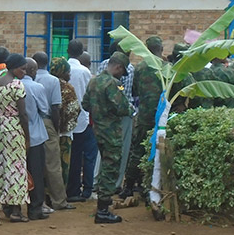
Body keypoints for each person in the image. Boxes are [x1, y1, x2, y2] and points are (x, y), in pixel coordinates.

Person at [82, 52, 132, 223]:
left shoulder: (93, 81)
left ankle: (103, 205)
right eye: (122, 71)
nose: (122, 75)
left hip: (98, 130)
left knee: (104, 166)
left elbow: (85, 104)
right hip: (112, 132)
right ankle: (103, 211)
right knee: (111, 169)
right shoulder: (114, 83)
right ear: (118, 67)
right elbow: (123, 108)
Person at [0, 54, 30, 222]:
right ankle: (15, 211)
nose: (25, 72)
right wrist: (27, 137)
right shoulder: (17, 85)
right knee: (16, 168)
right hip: (13, 129)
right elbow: (23, 114)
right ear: (14, 68)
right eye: (23, 68)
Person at [34, 52, 75, 211]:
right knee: (53, 163)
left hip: (30, 122)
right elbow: (55, 107)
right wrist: (56, 129)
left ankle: (39, 199)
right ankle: (59, 201)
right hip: (47, 121)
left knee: (35, 163)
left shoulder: (28, 79)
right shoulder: (53, 81)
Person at [126, 36, 164, 195]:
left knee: (138, 151)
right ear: (161, 49)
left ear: (146, 49)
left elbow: (134, 91)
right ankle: (153, 186)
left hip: (144, 116)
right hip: (162, 118)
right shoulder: (166, 67)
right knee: (159, 152)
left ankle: (128, 187)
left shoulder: (139, 68)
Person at [66, 40, 97, 203]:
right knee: (88, 156)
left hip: (66, 120)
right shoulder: (85, 71)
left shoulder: (63, 68)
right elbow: (88, 96)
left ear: (67, 51)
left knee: (72, 156)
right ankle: (86, 190)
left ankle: (72, 189)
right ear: (80, 53)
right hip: (83, 118)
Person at [22, 58, 50, 220]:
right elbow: (45, 110)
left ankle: (13, 208)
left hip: (16, 135)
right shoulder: (37, 87)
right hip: (35, 135)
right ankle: (35, 208)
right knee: (36, 172)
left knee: (18, 171)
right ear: (32, 71)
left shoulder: (10, 85)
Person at [49, 57, 81, 187]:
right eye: (67, 71)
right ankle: (61, 193)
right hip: (65, 132)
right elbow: (74, 110)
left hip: (49, 131)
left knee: (50, 164)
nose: (69, 74)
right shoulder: (67, 88)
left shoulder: (47, 83)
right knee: (63, 165)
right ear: (61, 72)